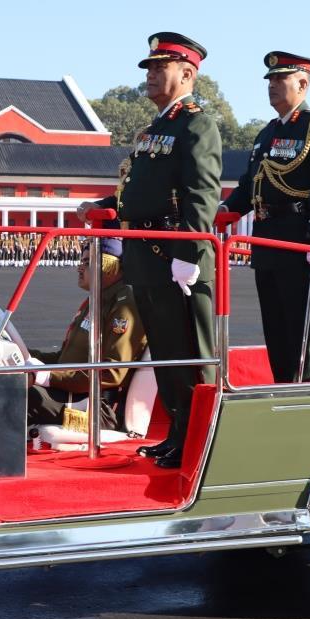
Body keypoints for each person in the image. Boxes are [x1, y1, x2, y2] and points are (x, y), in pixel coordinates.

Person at [77, 32, 222, 468]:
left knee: (191, 358)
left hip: (177, 259)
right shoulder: (154, 129)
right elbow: (135, 193)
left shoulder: (197, 124)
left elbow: (202, 194)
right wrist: (103, 205)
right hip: (146, 257)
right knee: (164, 355)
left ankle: (202, 442)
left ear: (187, 73)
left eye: (161, 67)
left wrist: (189, 253)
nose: (153, 75)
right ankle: (177, 433)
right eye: (151, 67)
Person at [219, 51, 310, 383]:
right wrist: (226, 210)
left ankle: (307, 389)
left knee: (300, 326)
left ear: (303, 83)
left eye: (281, 79)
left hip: (298, 240)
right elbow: (251, 184)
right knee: (275, 326)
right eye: (271, 80)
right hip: (265, 239)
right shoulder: (266, 132)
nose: (273, 86)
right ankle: (282, 386)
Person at [27, 238, 147, 432]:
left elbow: (112, 372)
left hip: (98, 406)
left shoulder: (124, 303)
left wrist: (48, 376)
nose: (79, 268)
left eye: (86, 262)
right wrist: (26, 355)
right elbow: (64, 358)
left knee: (18, 397)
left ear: (108, 264)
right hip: (75, 392)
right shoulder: (95, 300)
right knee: (9, 385)